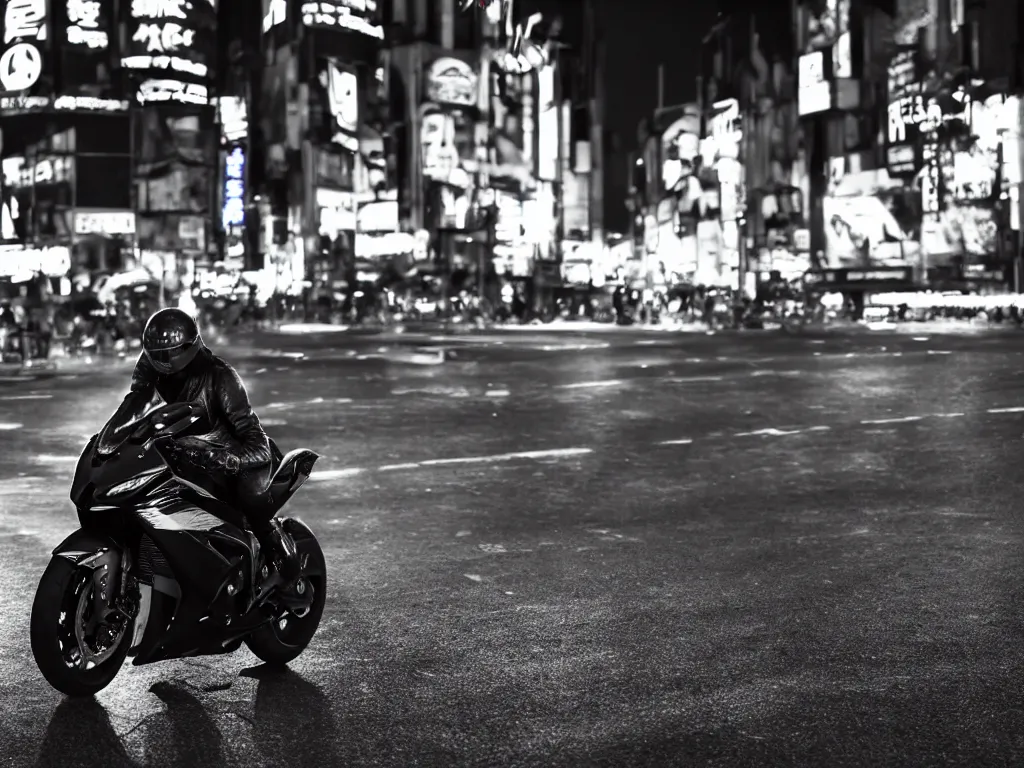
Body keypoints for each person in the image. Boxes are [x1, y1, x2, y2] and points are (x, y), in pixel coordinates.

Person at [98, 307, 302, 597]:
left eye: (166, 354)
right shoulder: (150, 365)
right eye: (153, 353)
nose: (158, 360)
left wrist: (228, 460)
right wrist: (109, 440)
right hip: (186, 449)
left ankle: (283, 559)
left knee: (252, 500)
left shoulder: (221, 377)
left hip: (234, 455)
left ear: (186, 348)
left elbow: (256, 441)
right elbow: (134, 404)